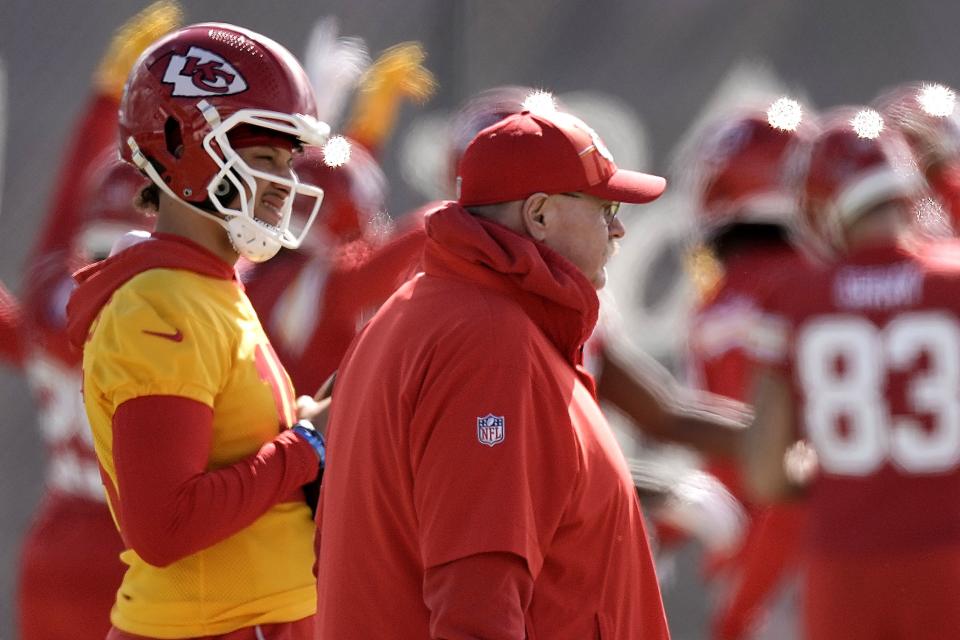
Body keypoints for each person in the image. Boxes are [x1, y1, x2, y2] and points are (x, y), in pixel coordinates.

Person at [316, 104, 672, 638]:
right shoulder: (489, 340)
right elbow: (476, 601)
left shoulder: (427, 311)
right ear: (540, 215)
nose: (618, 229)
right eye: (603, 208)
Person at [65, 23, 330, 639]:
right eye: (263, 157)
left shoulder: (205, 285)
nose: (283, 183)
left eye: (286, 161)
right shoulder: (162, 305)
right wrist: (306, 448)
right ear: (186, 144)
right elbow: (165, 528)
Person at [744, 106, 960, 639]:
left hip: (845, 567)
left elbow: (766, 473)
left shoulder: (792, 302)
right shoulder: (953, 279)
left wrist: (856, 475)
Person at [14, 5, 180, 639]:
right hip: (129, 547)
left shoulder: (52, 288)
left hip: (54, 539)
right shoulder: (174, 303)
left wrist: (102, 101)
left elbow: (60, 219)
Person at [684, 103, 811, 639]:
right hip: (845, 544)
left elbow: (763, 462)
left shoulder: (721, 301)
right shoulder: (829, 283)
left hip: (769, 551)